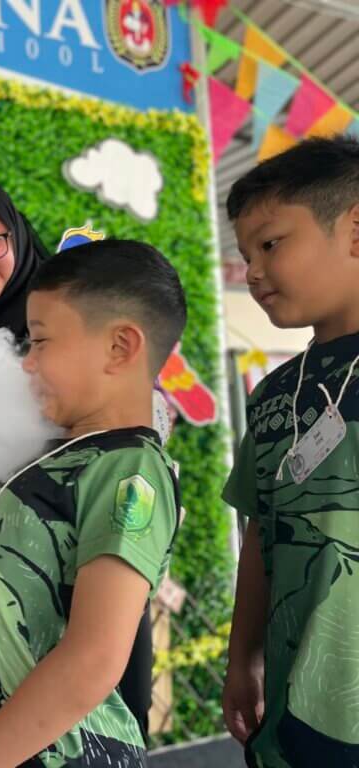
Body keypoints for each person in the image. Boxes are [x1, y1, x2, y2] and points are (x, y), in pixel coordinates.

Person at [0, 239, 185, 767]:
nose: (28, 364)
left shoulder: (128, 471)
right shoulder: (64, 456)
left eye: (42, 341)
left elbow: (93, 659)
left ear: (120, 347)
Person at [222, 135, 359, 768]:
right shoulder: (277, 390)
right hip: (291, 717)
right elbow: (261, 530)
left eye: (271, 243)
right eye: (245, 253)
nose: (250, 271)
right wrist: (242, 656)